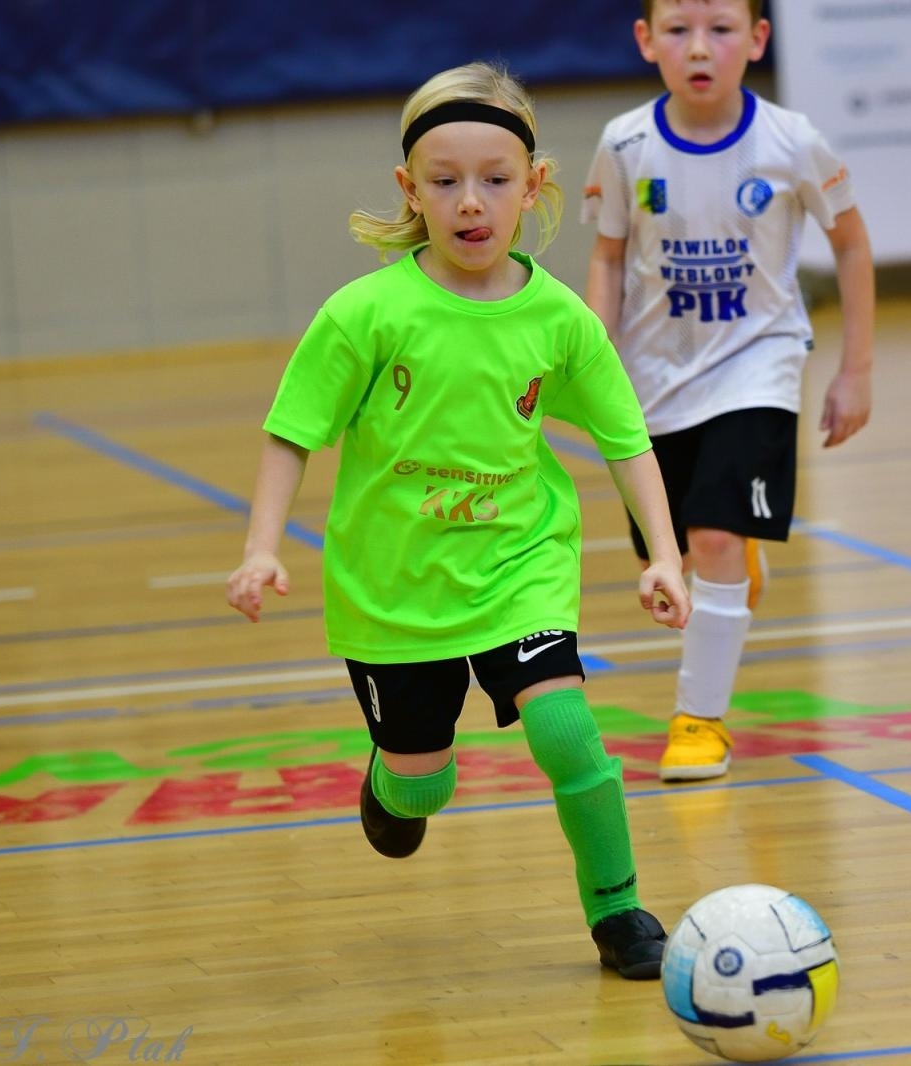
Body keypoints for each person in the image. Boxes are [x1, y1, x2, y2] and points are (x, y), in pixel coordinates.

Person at [225, 61, 691, 980]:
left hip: (519, 562)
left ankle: (619, 912)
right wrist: (259, 549)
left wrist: (664, 557)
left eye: (495, 179)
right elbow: (293, 433)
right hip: (393, 588)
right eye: (445, 182)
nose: (470, 202)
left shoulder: (557, 319)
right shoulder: (366, 313)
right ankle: (395, 781)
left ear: (534, 186)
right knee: (420, 789)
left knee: (568, 735)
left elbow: (625, 438)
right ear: (411, 190)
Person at [583, 0, 875, 782]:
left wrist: (856, 370)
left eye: (720, 28)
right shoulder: (624, 144)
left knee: (713, 539)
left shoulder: (791, 141)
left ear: (758, 39)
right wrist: (591, 361)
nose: (700, 47)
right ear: (646, 41)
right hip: (653, 379)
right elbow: (609, 259)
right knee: (671, 555)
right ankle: (733, 568)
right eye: (678, 30)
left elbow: (850, 246)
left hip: (758, 366)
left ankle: (698, 722)